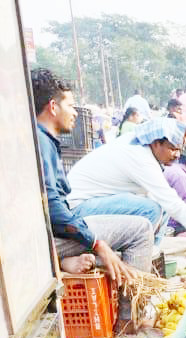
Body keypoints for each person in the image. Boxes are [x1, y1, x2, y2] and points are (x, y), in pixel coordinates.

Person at [32, 68, 149, 285]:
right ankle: (133, 306)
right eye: (70, 106)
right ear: (53, 107)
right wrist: (97, 243)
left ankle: (65, 261)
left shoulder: (40, 139)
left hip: (50, 232)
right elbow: (52, 207)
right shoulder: (41, 141)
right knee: (140, 229)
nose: (75, 113)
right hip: (44, 239)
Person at [67, 118, 186, 257]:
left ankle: (152, 253)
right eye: (172, 149)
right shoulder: (140, 156)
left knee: (160, 205)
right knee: (152, 210)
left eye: (179, 150)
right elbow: (173, 203)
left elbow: (166, 202)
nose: (176, 155)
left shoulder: (141, 146)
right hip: (79, 208)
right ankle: (138, 258)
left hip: (95, 202)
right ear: (156, 143)